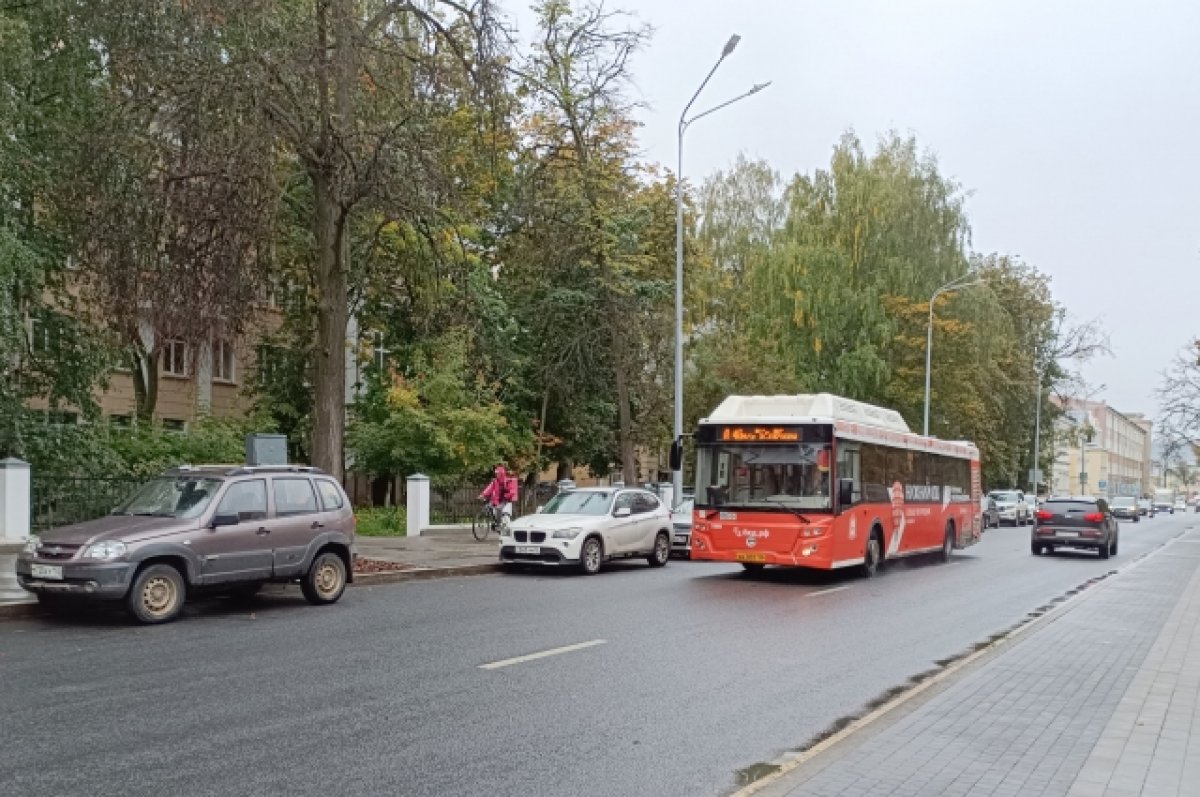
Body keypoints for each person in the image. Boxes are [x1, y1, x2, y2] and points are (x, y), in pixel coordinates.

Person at [480, 465, 517, 530]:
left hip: (505, 499)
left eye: (498, 474)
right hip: (497, 499)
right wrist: (483, 495)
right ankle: (494, 520)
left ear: (501, 474)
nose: (496, 475)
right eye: (496, 474)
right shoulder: (495, 481)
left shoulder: (507, 481)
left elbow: (512, 491)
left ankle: (498, 524)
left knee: (498, 508)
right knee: (488, 506)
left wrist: (507, 495)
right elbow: (489, 488)